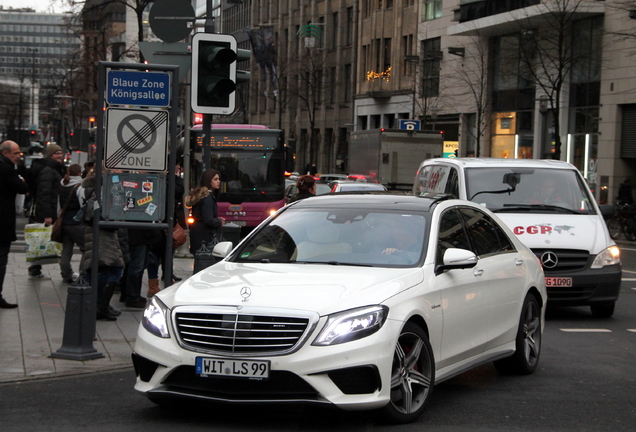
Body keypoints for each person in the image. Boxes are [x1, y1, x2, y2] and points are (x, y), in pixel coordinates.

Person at [78, 168, 127, 320]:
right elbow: (95, 214)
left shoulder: (98, 189)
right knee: (113, 269)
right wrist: (113, 218)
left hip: (100, 235)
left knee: (99, 269)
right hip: (102, 235)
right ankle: (99, 305)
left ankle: (97, 304)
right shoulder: (101, 190)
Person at [27, 143, 66, 279]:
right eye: (57, 153)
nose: (60, 155)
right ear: (50, 155)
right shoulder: (49, 170)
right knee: (40, 239)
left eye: (61, 153)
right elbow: (45, 193)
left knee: (40, 239)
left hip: (51, 208)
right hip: (48, 210)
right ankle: (35, 269)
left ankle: (35, 268)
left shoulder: (53, 168)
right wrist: (47, 215)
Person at [0, 140, 29, 308]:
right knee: (1, 259)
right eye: (15, 153)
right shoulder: (7, 169)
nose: (18, 156)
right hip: (2, 221)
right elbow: (22, 187)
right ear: (5, 153)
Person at [185, 168, 226, 256]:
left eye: (219, 179)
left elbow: (202, 215)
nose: (218, 181)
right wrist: (219, 222)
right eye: (215, 179)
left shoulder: (200, 196)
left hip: (197, 235)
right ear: (208, 181)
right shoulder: (208, 197)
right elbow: (208, 220)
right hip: (205, 238)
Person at [57, 164, 85, 283]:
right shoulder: (79, 186)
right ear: (79, 173)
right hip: (76, 223)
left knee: (66, 250)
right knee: (86, 248)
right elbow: (83, 205)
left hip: (65, 222)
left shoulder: (62, 184)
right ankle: (83, 274)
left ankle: (66, 274)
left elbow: (59, 205)